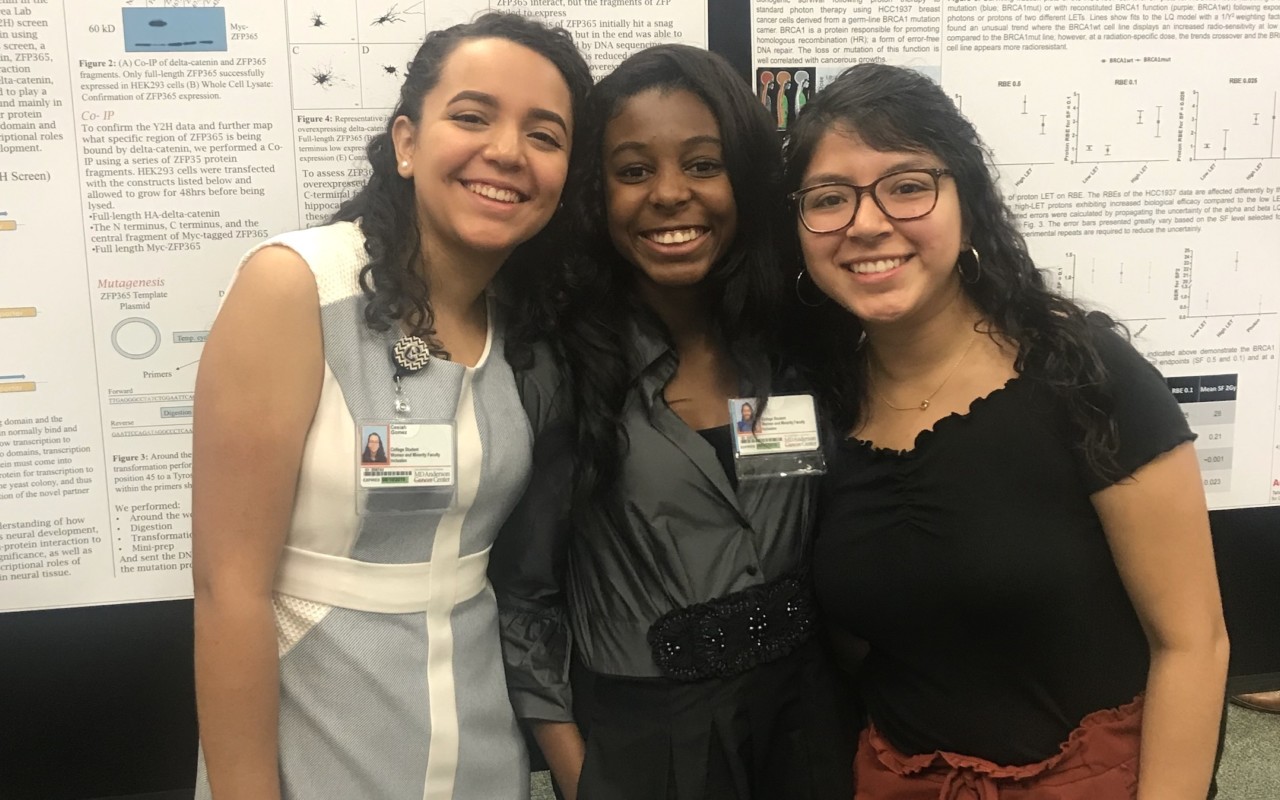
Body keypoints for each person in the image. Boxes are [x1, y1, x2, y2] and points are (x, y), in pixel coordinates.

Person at [784, 63, 1230, 799]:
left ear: (968, 204)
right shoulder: (823, 405)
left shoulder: (1084, 376)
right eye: (830, 198)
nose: (866, 223)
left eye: (906, 185)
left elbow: (1193, 644)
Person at [191, 13, 590, 799]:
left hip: (479, 754)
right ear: (407, 142)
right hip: (318, 753)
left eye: (544, 135)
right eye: (472, 117)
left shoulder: (524, 328)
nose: (506, 151)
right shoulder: (297, 285)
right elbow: (228, 590)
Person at [490, 45, 853, 800]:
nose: (668, 194)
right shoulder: (562, 368)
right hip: (646, 744)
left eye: (702, 165)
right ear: (598, 194)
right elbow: (525, 594)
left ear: (744, 182)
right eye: (632, 171)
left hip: (810, 726)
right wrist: (578, 773)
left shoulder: (797, 345)